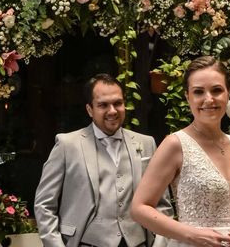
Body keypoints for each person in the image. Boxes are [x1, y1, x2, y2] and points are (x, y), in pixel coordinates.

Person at [131, 56, 230, 247]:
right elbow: (139, 208)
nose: (209, 99)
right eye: (198, 92)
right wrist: (192, 234)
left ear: (228, 93)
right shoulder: (176, 144)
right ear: (187, 96)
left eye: (217, 90)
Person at [34, 73, 172, 247]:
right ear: (90, 110)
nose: (112, 111)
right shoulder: (67, 145)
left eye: (117, 103)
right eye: (103, 105)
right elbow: (44, 204)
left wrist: (160, 244)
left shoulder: (146, 143)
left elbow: (162, 203)